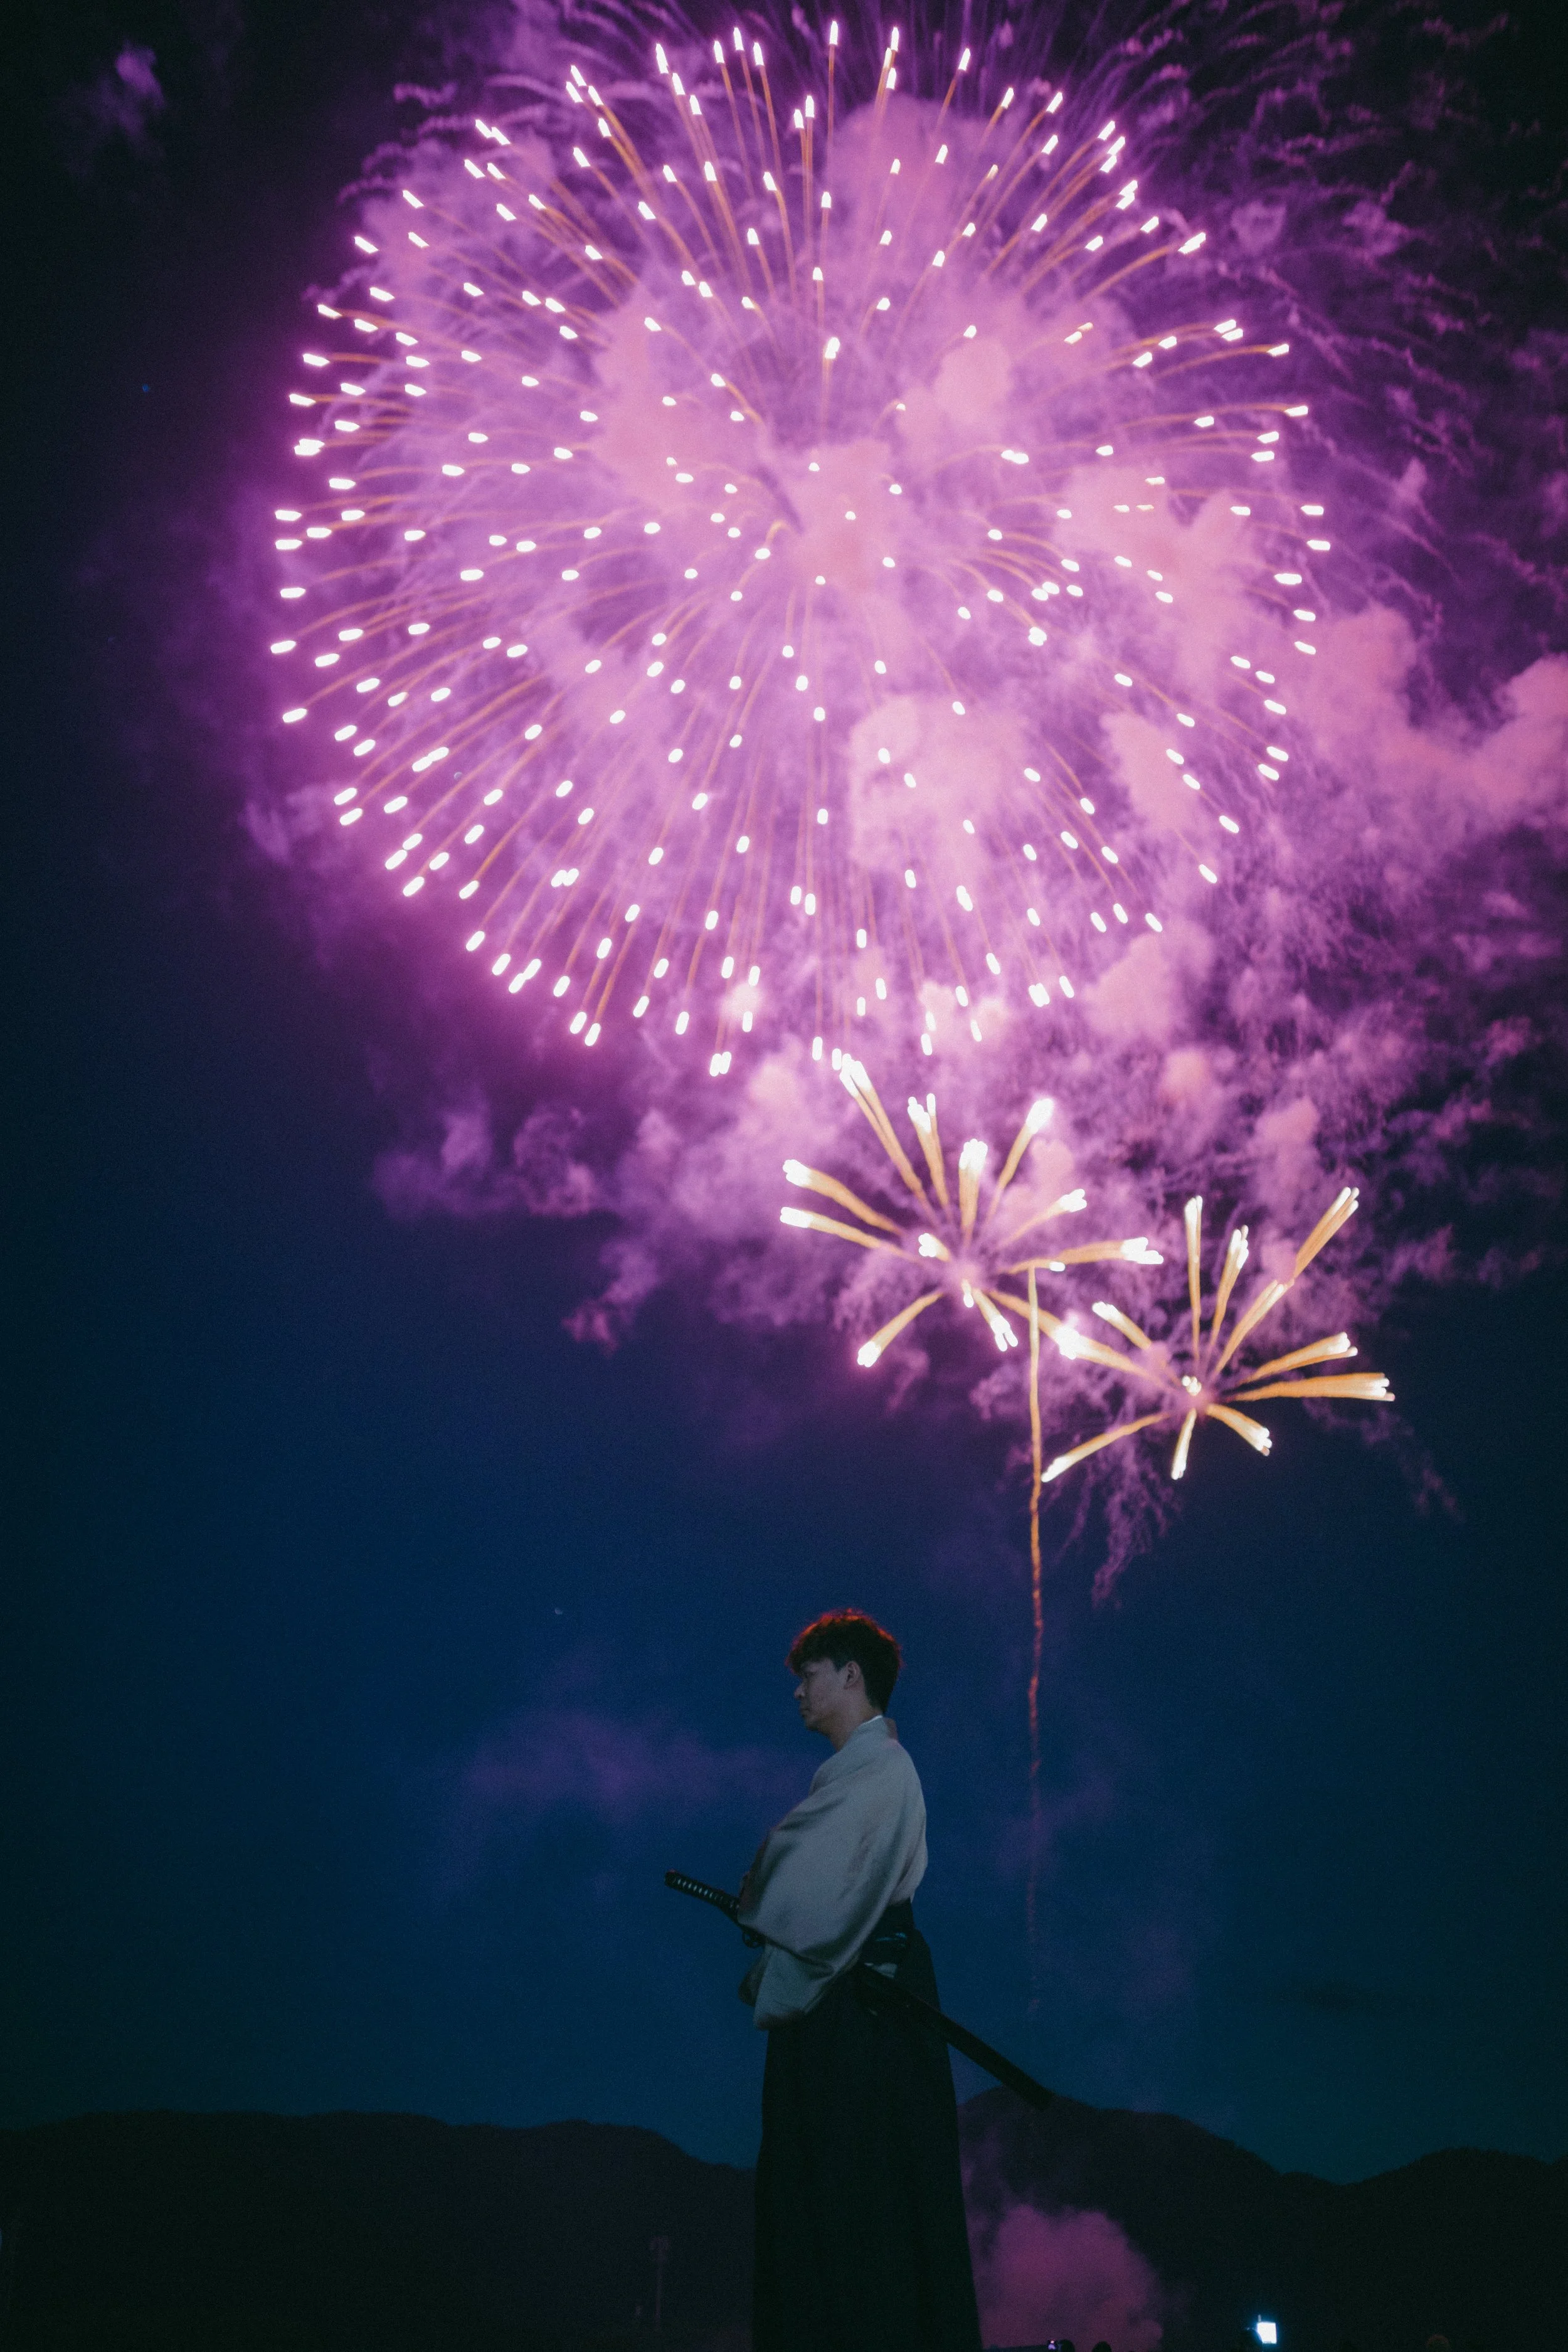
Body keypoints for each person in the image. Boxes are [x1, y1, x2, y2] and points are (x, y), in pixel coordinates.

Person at [738, 1608, 982, 2352]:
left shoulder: (883, 1770)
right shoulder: (864, 1772)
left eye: (810, 1675)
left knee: (862, 2193)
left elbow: (788, 1884)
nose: (798, 1693)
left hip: (863, 2007)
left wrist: (766, 1880)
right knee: (827, 2193)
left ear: (851, 1676)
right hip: (847, 1997)